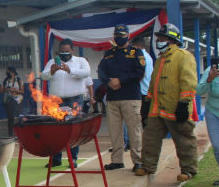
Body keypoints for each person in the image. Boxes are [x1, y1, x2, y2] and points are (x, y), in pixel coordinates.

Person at [134, 23, 198, 182]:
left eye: (162, 38)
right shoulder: (160, 59)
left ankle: (188, 170)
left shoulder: (183, 56)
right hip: (157, 110)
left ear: (171, 40)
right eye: (159, 38)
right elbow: (153, 83)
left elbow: (189, 82)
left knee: (184, 141)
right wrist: (147, 103)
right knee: (150, 139)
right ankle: (147, 166)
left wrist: (183, 103)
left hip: (176, 108)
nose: (159, 41)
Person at [97, 23, 146, 172]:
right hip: (112, 98)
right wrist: (109, 82)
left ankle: (138, 161)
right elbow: (100, 71)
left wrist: (120, 80)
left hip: (130, 97)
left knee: (134, 131)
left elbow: (139, 72)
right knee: (115, 132)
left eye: (122, 35)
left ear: (128, 36)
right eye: (117, 36)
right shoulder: (109, 53)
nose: (119, 38)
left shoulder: (136, 53)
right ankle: (117, 161)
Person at [41, 38, 91, 167]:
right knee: (55, 129)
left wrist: (70, 70)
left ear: (72, 50)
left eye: (67, 51)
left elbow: (86, 73)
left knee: (73, 129)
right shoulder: (52, 62)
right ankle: (56, 158)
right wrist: (52, 71)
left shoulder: (80, 61)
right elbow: (43, 76)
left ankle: (73, 158)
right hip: (56, 101)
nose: (64, 53)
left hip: (74, 99)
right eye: (62, 51)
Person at [197, 59, 219, 185]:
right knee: (217, 146)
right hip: (213, 113)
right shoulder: (211, 71)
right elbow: (199, 91)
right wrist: (209, 80)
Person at [131, 35, 154, 128]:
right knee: (144, 120)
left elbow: (141, 74)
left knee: (138, 121)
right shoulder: (148, 56)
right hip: (147, 91)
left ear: (137, 46)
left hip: (141, 92)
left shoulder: (140, 56)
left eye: (133, 46)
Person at [0, 67, 23, 136]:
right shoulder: (5, 81)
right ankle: (10, 134)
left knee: (19, 117)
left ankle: (21, 132)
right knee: (10, 118)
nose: (7, 73)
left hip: (18, 100)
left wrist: (15, 90)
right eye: (7, 72)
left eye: (8, 72)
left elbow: (22, 91)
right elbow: (0, 91)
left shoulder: (19, 80)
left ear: (13, 72)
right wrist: (7, 89)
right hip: (8, 100)